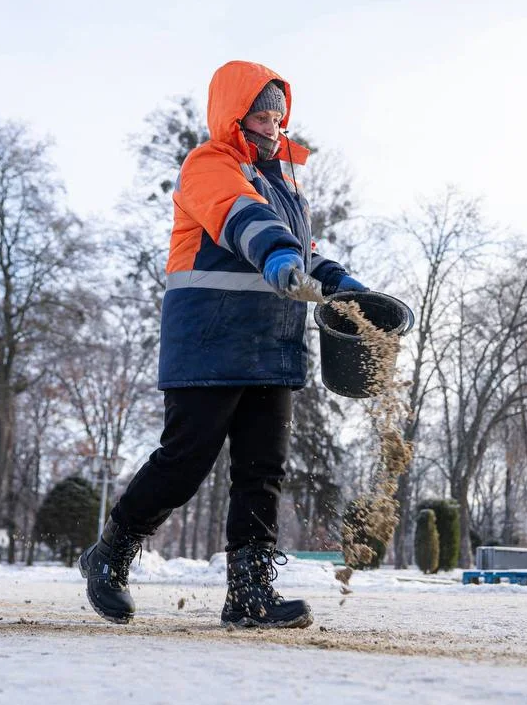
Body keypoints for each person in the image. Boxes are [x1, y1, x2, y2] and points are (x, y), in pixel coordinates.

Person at [80, 60, 367, 628]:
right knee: (186, 461)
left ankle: (250, 594)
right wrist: (281, 254)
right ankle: (110, 553)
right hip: (209, 339)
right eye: (260, 114)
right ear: (235, 116)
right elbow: (242, 218)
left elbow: (300, 251)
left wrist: (344, 286)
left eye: (278, 117)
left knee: (263, 471)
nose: (271, 126)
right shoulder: (208, 165)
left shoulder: (286, 185)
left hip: (272, 344)